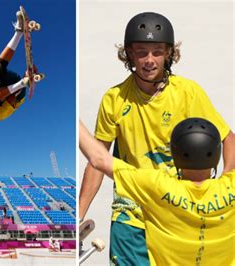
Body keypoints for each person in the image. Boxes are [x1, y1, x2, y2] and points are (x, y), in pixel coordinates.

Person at [78, 12, 235, 265]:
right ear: (129, 53)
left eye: (157, 52)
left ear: (169, 53)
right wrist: (79, 216)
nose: (149, 61)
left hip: (173, 210)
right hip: (130, 213)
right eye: (141, 52)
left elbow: (229, 139)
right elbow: (98, 159)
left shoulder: (188, 92)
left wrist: (224, 186)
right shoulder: (114, 99)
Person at [79, 118, 234, 265]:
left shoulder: (157, 186)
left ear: (176, 154)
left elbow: (99, 159)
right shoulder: (231, 187)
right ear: (216, 153)